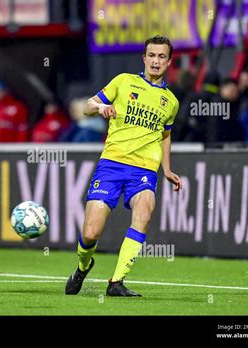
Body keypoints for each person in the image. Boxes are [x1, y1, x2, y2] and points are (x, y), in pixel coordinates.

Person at [65, 35, 182, 297]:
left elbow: (165, 135)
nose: (156, 61)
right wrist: (101, 107)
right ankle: (83, 266)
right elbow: (86, 107)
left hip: (144, 170)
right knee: (91, 232)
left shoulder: (171, 102)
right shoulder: (123, 81)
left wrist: (167, 169)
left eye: (161, 56)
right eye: (151, 55)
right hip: (112, 164)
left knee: (144, 214)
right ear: (144, 58)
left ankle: (116, 282)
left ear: (169, 62)